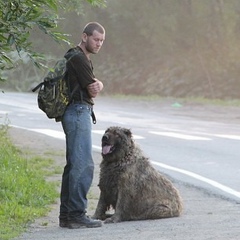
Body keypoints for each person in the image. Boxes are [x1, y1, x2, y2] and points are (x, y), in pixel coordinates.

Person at [59, 22, 105, 229]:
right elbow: (92, 89)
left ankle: (67, 216)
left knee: (74, 165)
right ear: (84, 36)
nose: (99, 44)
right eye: (96, 39)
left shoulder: (77, 56)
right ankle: (76, 215)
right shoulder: (78, 57)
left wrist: (98, 83)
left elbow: (93, 85)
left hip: (76, 111)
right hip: (78, 111)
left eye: (102, 41)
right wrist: (98, 85)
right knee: (83, 165)